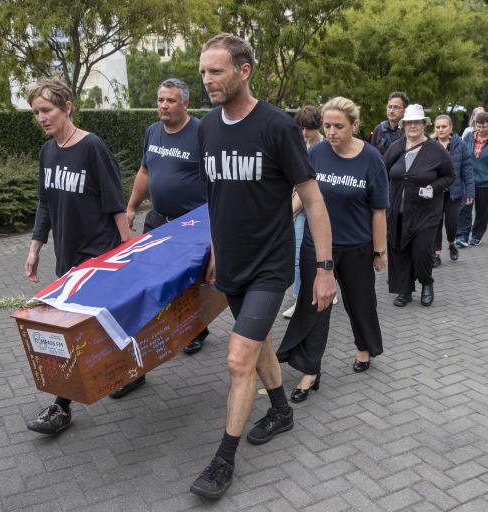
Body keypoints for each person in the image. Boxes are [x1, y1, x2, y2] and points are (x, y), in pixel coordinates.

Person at [190, 33, 335, 500]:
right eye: (203, 72)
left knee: (237, 360)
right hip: (230, 264)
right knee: (256, 346)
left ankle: (222, 460)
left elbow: (312, 200)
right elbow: (214, 200)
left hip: (270, 266)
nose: (207, 80)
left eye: (216, 71)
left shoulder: (276, 126)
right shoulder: (207, 127)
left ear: (244, 70)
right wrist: (214, 250)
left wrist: (325, 268)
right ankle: (281, 411)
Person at [23, 77, 130, 434]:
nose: (41, 117)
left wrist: (130, 249)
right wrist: (36, 247)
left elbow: (116, 202)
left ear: (67, 107)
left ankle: (61, 407)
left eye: (47, 110)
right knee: (99, 327)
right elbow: (45, 203)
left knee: (72, 332)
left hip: (98, 256)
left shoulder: (92, 147)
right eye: (36, 111)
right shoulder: (47, 152)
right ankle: (133, 372)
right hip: (67, 257)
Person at [278, 97, 389, 402]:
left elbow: (379, 210)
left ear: (355, 125)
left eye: (339, 126)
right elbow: (304, 196)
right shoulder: (315, 153)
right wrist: (281, 222)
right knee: (315, 308)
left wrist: (380, 253)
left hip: (357, 247)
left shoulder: (372, 159)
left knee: (360, 302)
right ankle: (310, 370)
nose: (331, 132)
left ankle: (364, 348)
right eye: (327, 125)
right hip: (317, 247)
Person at [108, 78, 209, 399]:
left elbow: (217, 180)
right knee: (147, 287)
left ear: (185, 104)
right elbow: (145, 172)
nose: (163, 105)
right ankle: (139, 365)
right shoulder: (152, 132)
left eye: (170, 100)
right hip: (157, 223)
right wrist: (131, 207)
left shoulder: (202, 133)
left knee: (189, 286)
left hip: (190, 227)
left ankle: (195, 327)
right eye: (160, 99)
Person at [385, 104, 454, 307]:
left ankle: (426, 282)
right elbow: (382, 171)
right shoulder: (396, 147)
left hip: (426, 213)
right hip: (398, 211)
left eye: (417, 122)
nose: (412, 126)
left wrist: (433, 186)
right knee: (399, 251)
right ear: (403, 125)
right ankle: (404, 291)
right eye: (409, 122)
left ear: (424, 124)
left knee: (422, 252)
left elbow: (449, 176)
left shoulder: (435, 149)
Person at [283, 106, 325, 319]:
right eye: (301, 128)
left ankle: (321, 288)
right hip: (296, 206)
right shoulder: (296, 143)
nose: (305, 133)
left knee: (321, 253)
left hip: (315, 206)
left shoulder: (323, 148)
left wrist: (291, 210)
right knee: (298, 255)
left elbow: (309, 185)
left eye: (309, 128)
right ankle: (300, 298)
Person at [431, 114, 474, 266]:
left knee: (451, 224)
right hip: (435, 193)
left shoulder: (459, 144)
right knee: (435, 223)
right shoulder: (430, 145)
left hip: (454, 193)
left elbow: (467, 169)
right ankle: (436, 254)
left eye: (444, 126)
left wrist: (470, 191)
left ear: (450, 128)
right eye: (438, 127)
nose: (441, 129)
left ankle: (451, 243)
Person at [456, 111, 488, 248]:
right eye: (478, 126)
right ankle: (462, 235)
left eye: (484, 127)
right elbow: (461, 154)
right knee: (464, 208)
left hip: (484, 183)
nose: (480, 130)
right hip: (468, 180)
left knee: (482, 211)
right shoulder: (469, 136)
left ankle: (476, 236)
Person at [371, 92, 409, 156]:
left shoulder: (409, 130)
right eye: (389, 107)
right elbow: (372, 155)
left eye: (396, 107)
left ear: (405, 110)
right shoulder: (379, 129)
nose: (391, 111)